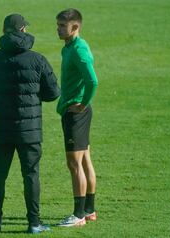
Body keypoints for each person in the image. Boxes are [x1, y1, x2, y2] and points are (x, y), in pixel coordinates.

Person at [0, 14, 60, 233]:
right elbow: (53, 93)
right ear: (23, 30)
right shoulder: (37, 59)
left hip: (1, 129)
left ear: (4, 32)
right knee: (31, 175)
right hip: (29, 133)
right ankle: (34, 223)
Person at [55, 9, 99, 227]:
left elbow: (93, 81)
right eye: (58, 25)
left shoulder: (78, 50)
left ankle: (78, 214)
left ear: (76, 27)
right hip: (75, 110)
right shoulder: (69, 47)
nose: (58, 29)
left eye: (63, 26)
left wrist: (82, 104)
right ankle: (89, 210)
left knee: (74, 164)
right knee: (84, 160)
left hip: (76, 113)